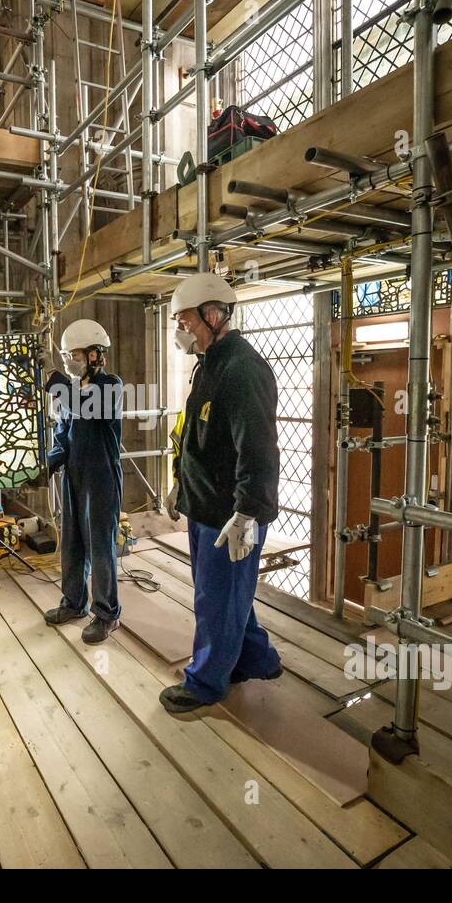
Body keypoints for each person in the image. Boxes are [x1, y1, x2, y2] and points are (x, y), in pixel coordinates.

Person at [161, 273, 283, 713]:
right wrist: (180, 483)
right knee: (230, 595)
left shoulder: (241, 369)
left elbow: (258, 448)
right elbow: (195, 435)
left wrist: (248, 513)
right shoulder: (209, 364)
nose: (182, 330)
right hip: (204, 505)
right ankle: (258, 659)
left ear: (214, 316)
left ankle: (206, 683)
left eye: (187, 321)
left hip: (228, 515)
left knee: (215, 599)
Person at [43, 318, 124, 645]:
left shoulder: (111, 386)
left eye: (74, 355)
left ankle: (106, 615)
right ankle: (74, 603)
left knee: (101, 548)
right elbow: (63, 436)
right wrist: (46, 464)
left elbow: (89, 409)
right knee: (73, 543)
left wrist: (55, 381)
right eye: (66, 358)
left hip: (101, 478)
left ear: (95, 355)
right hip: (73, 477)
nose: (70, 362)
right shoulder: (70, 392)